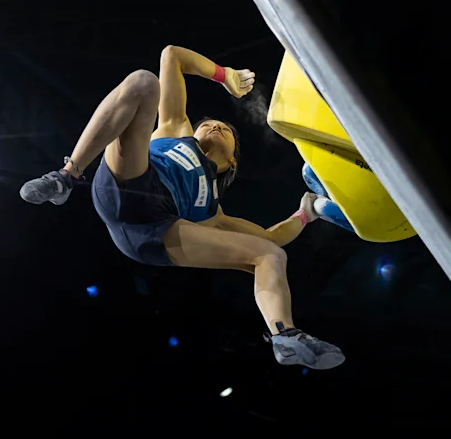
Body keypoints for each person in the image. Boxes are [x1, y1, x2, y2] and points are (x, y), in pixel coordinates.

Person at [20, 45, 344, 369]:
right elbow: (172, 56)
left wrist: (305, 214)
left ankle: (285, 336)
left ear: (231, 161)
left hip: (156, 228)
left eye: (226, 129)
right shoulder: (175, 129)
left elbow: (272, 237)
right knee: (144, 82)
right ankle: (66, 177)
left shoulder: (213, 213)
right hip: (133, 181)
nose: (216, 126)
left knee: (270, 255)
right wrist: (224, 76)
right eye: (209, 123)